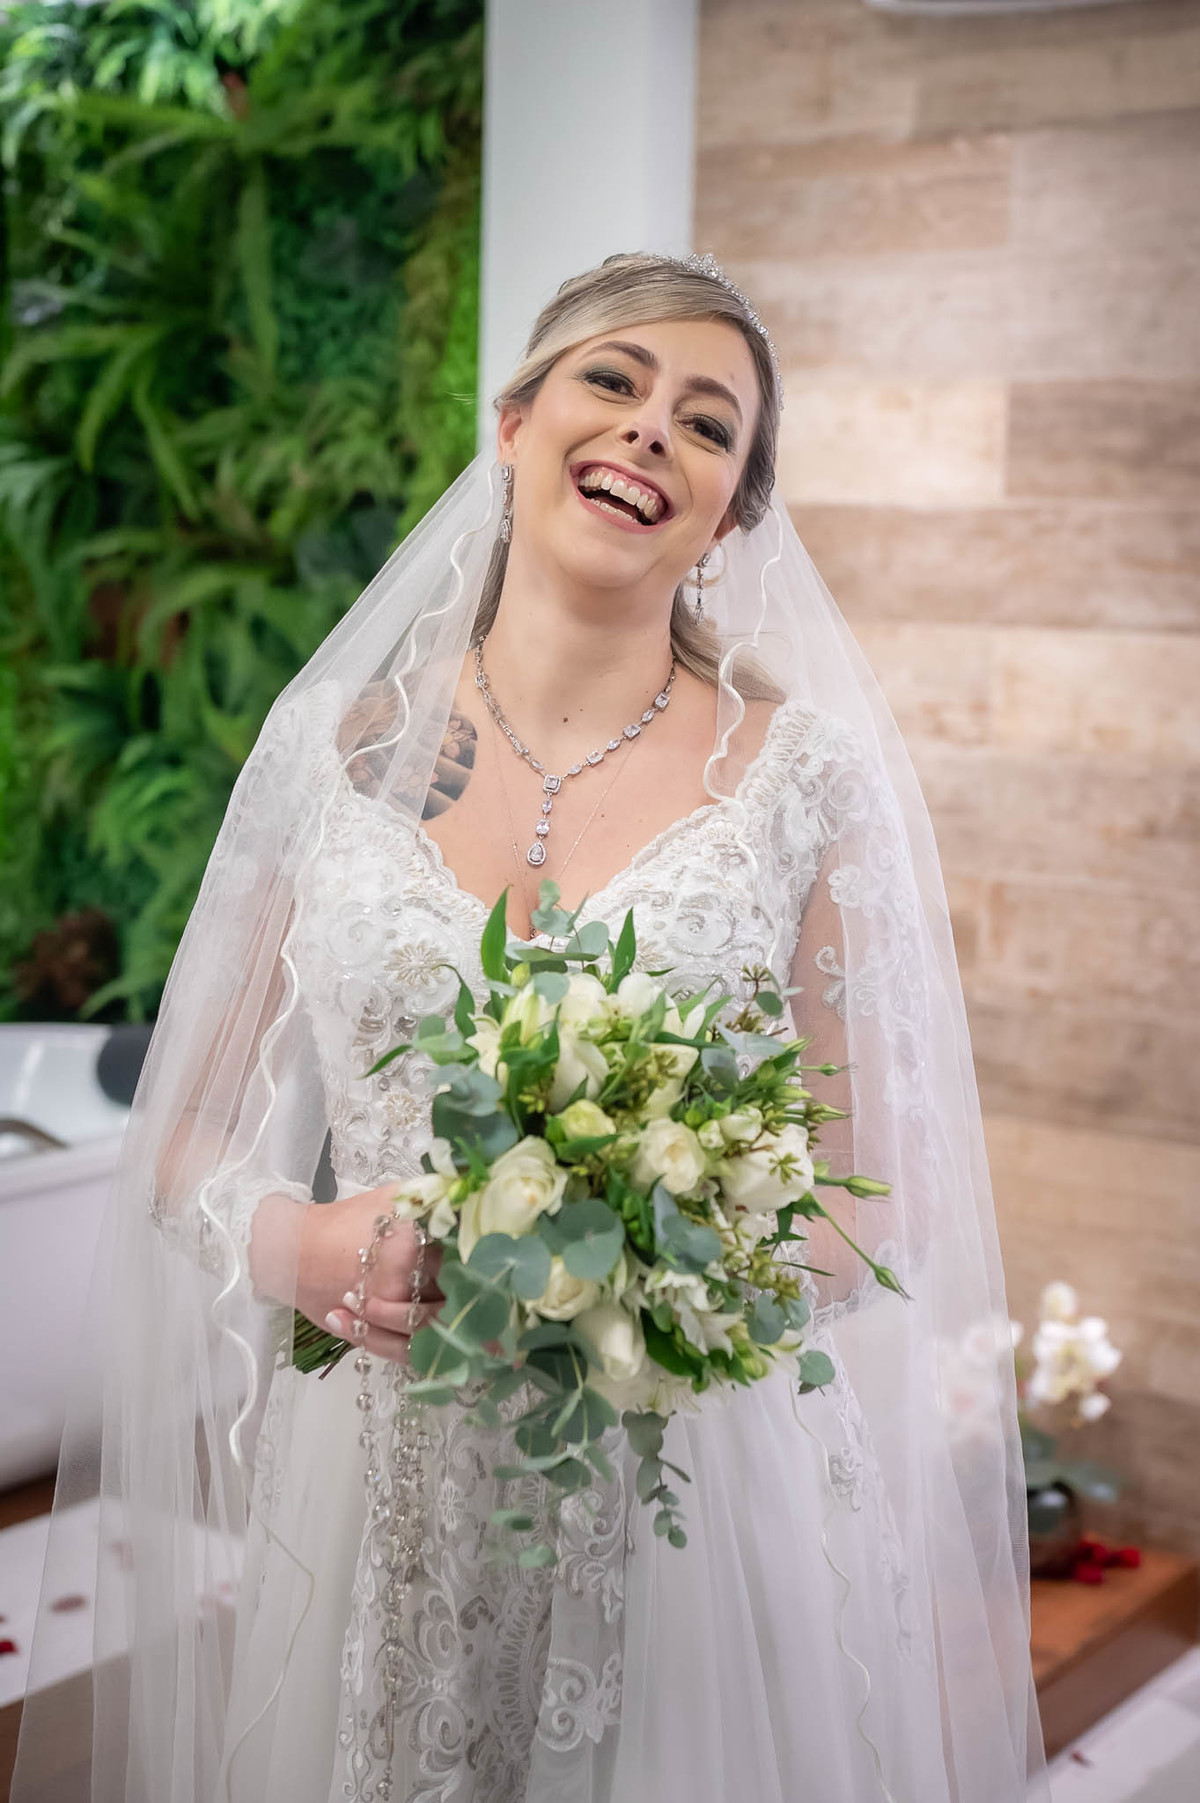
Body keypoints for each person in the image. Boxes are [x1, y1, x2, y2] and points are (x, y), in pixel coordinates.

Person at [14, 252, 1049, 1803]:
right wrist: (304, 1245)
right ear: (514, 423)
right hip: (384, 1472)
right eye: (613, 381)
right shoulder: (337, 751)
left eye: (708, 424)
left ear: (733, 515)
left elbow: (864, 1201)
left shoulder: (804, 780)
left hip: (684, 1485)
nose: (650, 431)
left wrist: (643, 1271)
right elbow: (185, 1132)